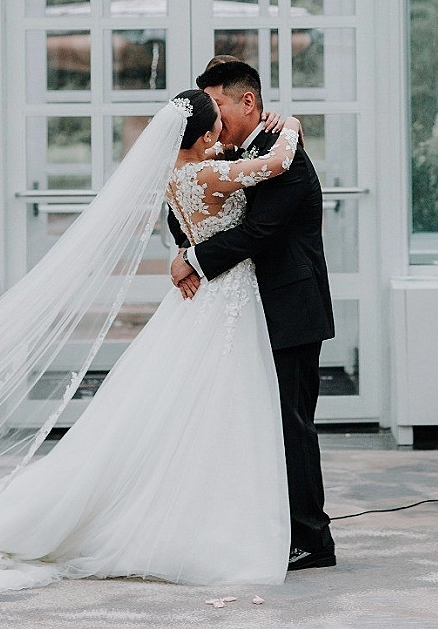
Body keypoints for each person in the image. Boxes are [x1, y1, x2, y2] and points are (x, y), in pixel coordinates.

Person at [0, 90, 302, 594]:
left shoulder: (177, 173)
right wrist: (291, 125)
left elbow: (196, 221)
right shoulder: (207, 174)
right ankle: (212, 526)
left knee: (195, 405)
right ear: (205, 134)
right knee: (225, 406)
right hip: (226, 298)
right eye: (216, 124)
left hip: (205, 296)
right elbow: (277, 164)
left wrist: (187, 255)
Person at [170, 61, 336, 571]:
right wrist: (187, 246)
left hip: (291, 307)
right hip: (246, 310)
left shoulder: (287, 154)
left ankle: (312, 539)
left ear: (247, 101)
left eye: (218, 104)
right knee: (254, 423)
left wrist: (195, 259)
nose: (213, 118)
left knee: (292, 425)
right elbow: (183, 207)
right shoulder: (232, 153)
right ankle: (269, 527)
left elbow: (261, 231)